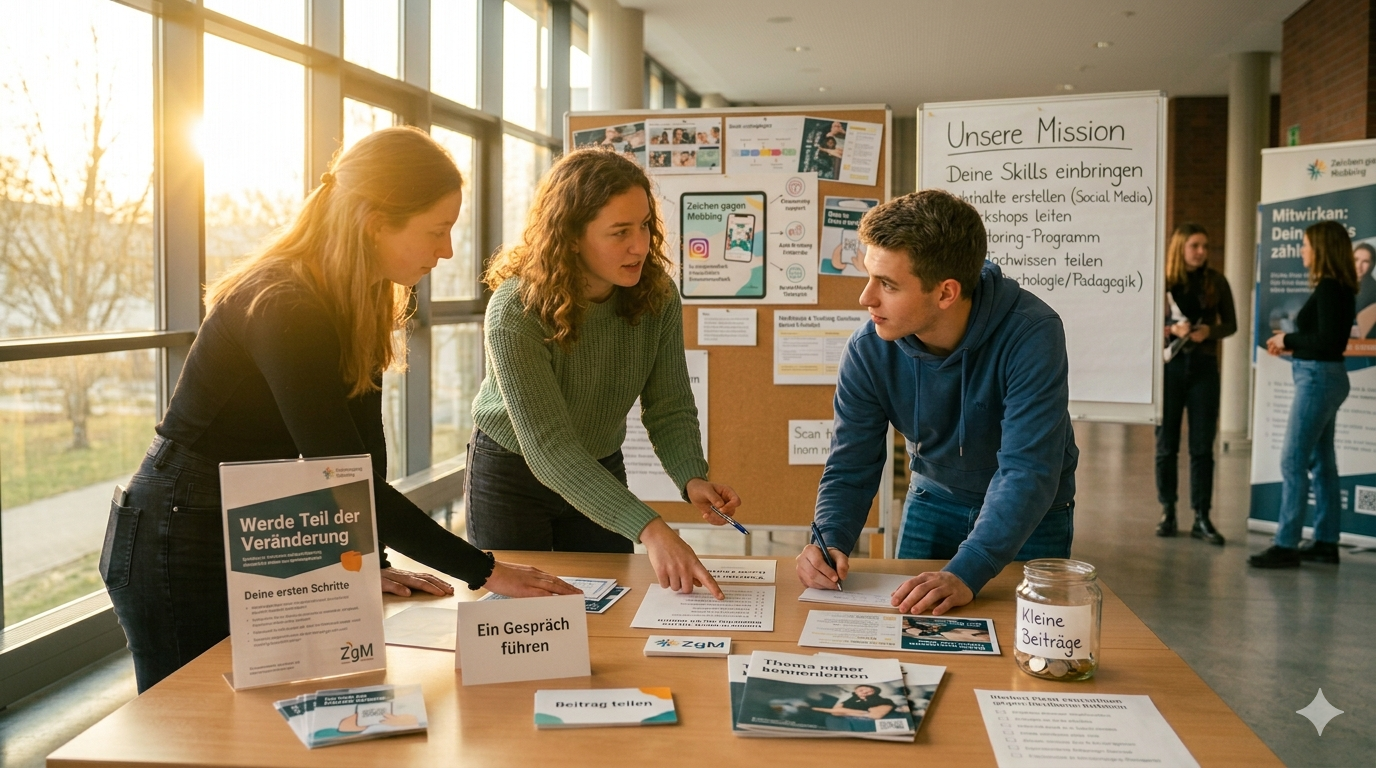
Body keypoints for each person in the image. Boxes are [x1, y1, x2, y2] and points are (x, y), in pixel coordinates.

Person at [100, 127, 579, 693]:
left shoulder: (363, 296)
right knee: (191, 726)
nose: (447, 250)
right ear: (376, 221)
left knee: (264, 721)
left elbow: (360, 463)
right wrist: (487, 570)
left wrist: (367, 562)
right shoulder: (283, 304)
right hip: (180, 533)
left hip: (254, 524)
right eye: (437, 230)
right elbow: (342, 477)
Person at [468, 148, 742, 598]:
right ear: (571, 236)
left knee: (611, 607)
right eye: (620, 232)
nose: (641, 245)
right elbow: (550, 449)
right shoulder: (515, 310)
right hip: (512, 474)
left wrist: (692, 476)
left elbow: (670, 404)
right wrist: (651, 529)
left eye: (645, 225)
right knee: (520, 619)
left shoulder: (657, 295)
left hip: (598, 464)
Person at [797, 190, 1077, 615]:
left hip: (1034, 513)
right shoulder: (868, 349)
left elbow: (1028, 470)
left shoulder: (1032, 334)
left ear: (946, 293)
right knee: (907, 627)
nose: (866, 298)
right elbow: (851, 463)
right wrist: (828, 538)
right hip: (933, 500)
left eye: (887, 284)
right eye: (869, 276)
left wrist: (970, 570)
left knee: (1026, 641)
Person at [1251, 221, 1358, 568]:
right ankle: (1326, 541)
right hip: (1325, 377)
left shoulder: (1329, 288)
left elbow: (1328, 342)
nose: (1302, 251)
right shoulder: (1338, 287)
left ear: (1322, 249)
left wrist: (1287, 340)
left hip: (1318, 380)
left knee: (1292, 459)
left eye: (1307, 245)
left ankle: (1286, 544)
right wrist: (1292, 347)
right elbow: (1328, 341)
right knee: (1322, 461)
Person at [1154, 224, 1236, 543]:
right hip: (1169, 369)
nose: (1202, 252)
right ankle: (1168, 512)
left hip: (1203, 367)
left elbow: (1231, 324)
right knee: (1166, 444)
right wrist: (1171, 328)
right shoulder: (1164, 282)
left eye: (1205, 246)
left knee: (1203, 446)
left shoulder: (1216, 282)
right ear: (1180, 248)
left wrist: (1209, 333)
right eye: (1195, 246)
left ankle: (1202, 516)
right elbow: (1146, 322)